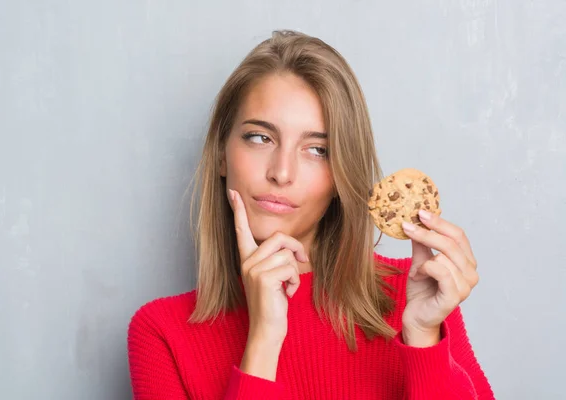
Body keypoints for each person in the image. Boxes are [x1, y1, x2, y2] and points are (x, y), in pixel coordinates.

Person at [127, 30, 495, 399]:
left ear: (340, 175)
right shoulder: (162, 333)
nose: (281, 173)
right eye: (260, 137)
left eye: (317, 149)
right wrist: (264, 339)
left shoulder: (414, 297)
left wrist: (423, 342)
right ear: (222, 153)